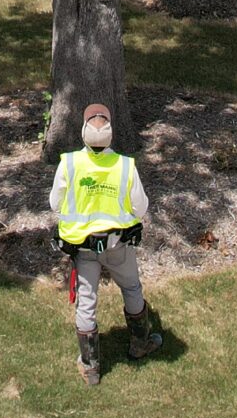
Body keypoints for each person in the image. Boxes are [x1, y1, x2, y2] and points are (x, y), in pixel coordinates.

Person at [49, 101, 163, 385]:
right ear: (111, 134)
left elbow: (55, 204)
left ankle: (90, 367)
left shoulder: (70, 164)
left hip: (83, 249)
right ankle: (140, 343)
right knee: (132, 288)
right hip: (118, 247)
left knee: (87, 303)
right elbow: (140, 209)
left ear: (83, 132)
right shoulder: (125, 166)